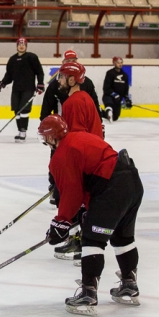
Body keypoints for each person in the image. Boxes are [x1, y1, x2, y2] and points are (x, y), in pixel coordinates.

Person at [38, 115, 144, 316]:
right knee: (123, 237)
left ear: (51, 137)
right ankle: (129, 285)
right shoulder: (79, 137)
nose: (45, 142)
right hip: (131, 182)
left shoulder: (62, 154)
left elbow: (71, 192)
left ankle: (88, 294)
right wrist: (86, 209)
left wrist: (61, 222)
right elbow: (90, 178)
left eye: (45, 137)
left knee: (92, 239)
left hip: (111, 189)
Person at [49, 61, 104, 262]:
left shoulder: (73, 102)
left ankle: (79, 242)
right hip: (93, 157)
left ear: (72, 80)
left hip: (84, 160)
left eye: (62, 77)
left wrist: (69, 168)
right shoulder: (84, 98)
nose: (59, 80)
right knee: (83, 203)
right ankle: (81, 241)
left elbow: (77, 136)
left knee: (79, 201)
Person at [40, 50, 103, 207]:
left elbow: (93, 108)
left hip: (75, 136)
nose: (70, 63)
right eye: (68, 61)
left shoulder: (80, 93)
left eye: (73, 60)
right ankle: (56, 185)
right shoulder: (57, 86)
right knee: (57, 158)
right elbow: (46, 108)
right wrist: (48, 129)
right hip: (62, 130)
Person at [0, 37, 45, 142]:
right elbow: (9, 75)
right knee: (17, 110)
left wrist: (40, 84)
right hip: (16, 89)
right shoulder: (12, 59)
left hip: (28, 89)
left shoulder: (32, 57)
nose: (21, 46)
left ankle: (23, 132)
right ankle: (19, 131)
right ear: (17, 46)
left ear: (26, 46)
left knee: (24, 110)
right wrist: (2, 83)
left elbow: (39, 72)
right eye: (19, 44)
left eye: (24, 44)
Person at [102, 56, 131, 123]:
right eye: (118, 63)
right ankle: (109, 110)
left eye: (121, 62)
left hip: (118, 100)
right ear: (114, 63)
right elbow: (106, 88)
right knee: (109, 103)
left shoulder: (125, 75)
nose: (120, 64)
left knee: (115, 117)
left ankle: (101, 112)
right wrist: (114, 94)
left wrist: (127, 99)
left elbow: (126, 89)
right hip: (109, 96)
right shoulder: (110, 73)